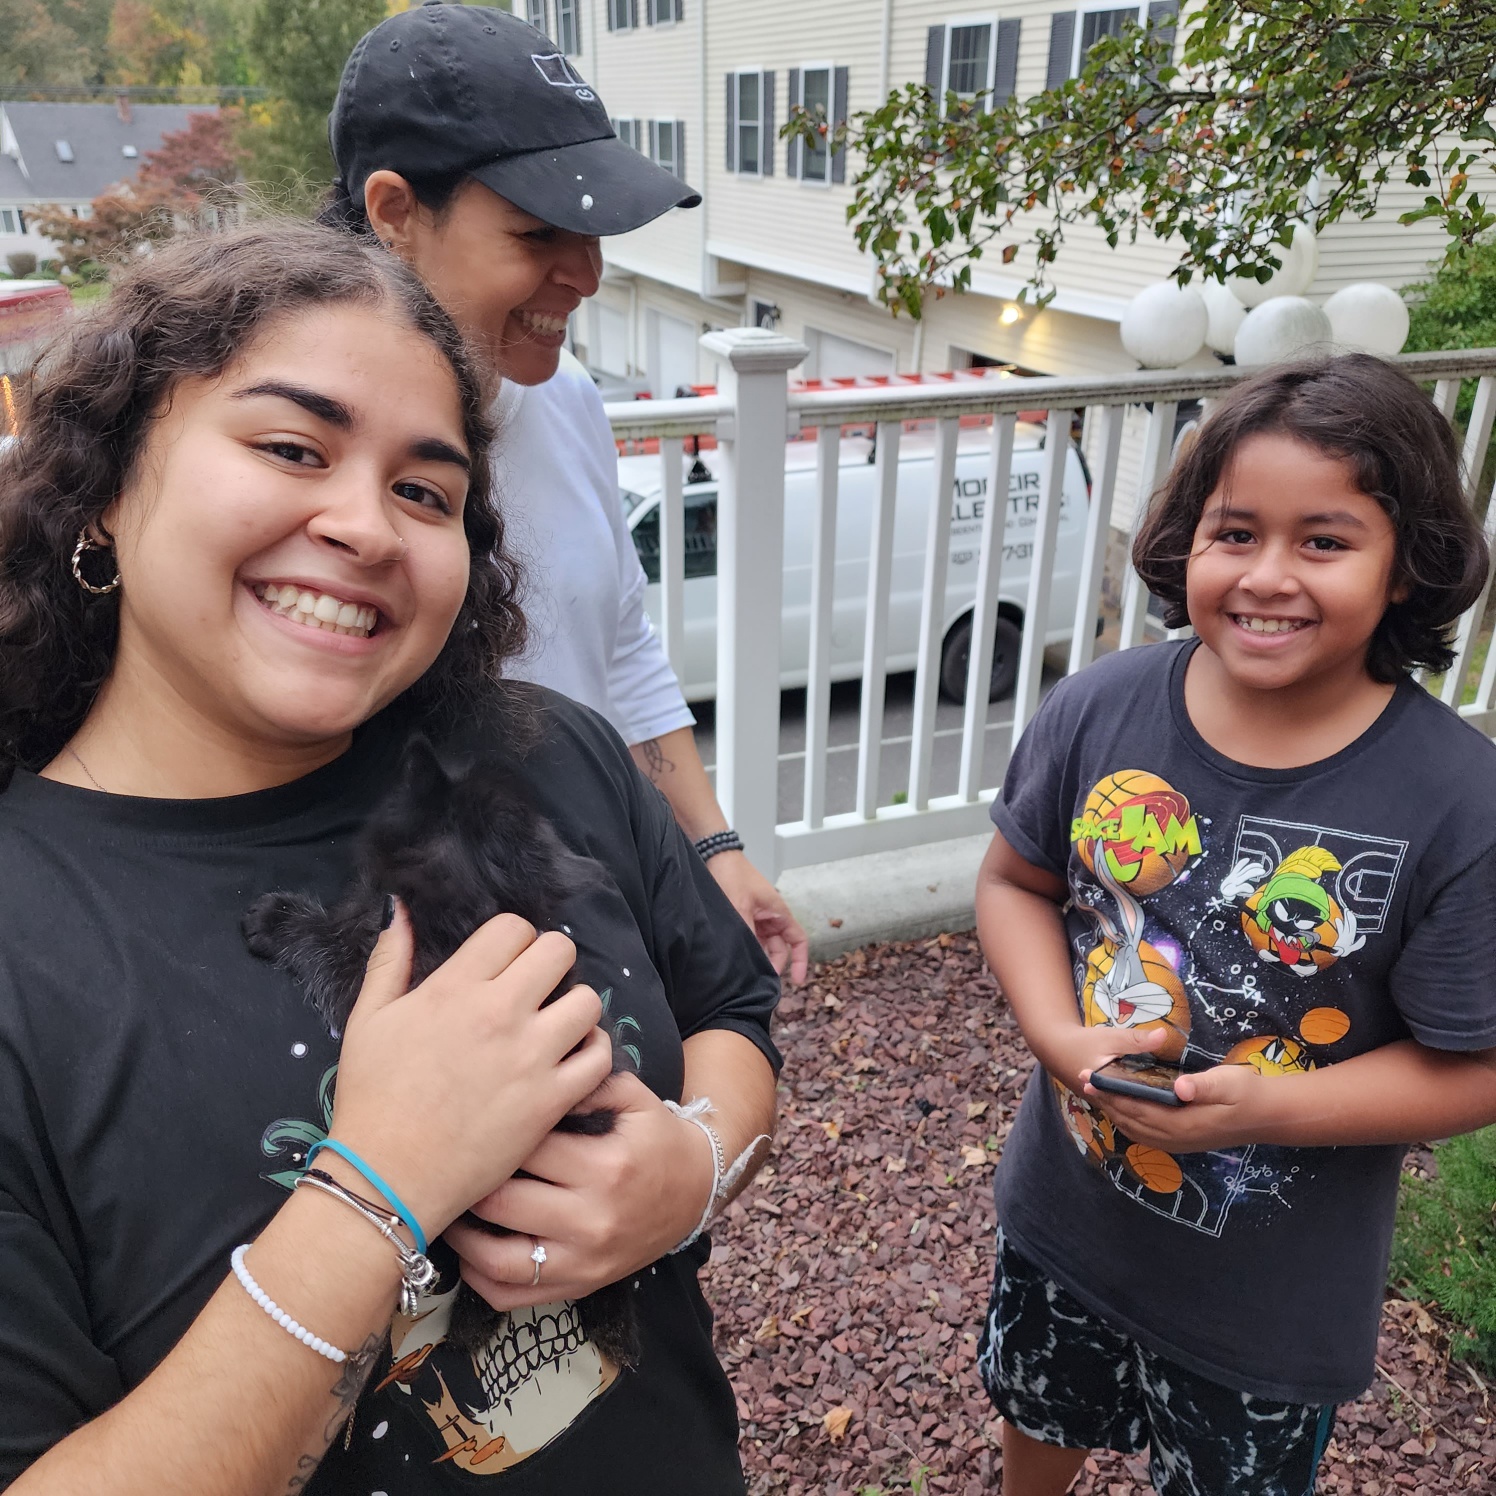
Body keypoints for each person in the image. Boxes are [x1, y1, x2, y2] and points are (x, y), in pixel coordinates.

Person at [0, 223, 779, 1493]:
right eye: (290, 447)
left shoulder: (551, 753)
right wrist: (378, 1189)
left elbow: (734, 1009)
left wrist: (689, 1169)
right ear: (104, 481)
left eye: (425, 489)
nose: (365, 526)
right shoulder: (27, 949)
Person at [972, 355, 1496, 1496]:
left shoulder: (1456, 800)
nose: (1267, 575)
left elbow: (1474, 1068)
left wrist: (1279, 1107)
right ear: (1182, 541)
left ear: (1406, 562)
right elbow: (1011, 883)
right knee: (1036, 1405)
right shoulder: (1098, 707)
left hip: (1267, 1291)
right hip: (1066, 1214)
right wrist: (1058, 1036)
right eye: (1232, 531)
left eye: (1321, 539)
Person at [319, 1, 809, 982]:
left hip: (593, 897)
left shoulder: (568, 399)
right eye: (539, 231)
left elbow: (619, 643)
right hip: (416, 957)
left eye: (589, 232)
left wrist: (711, 847)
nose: (584, 272)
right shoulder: (314, 473)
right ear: (394, 214)